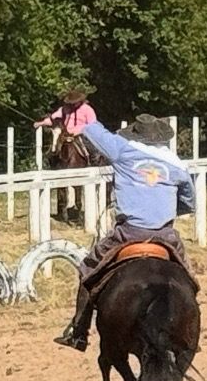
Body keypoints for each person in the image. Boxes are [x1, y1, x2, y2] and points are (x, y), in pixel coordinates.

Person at [54, 112, 197, 352]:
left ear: (136, 133)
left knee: (88, 269)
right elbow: (189, 203)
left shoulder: (123, 150)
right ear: (161, 137)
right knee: (188, 277)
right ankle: (187, 328)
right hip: (165, 235)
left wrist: (80, 113)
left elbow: (93, 130)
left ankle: (79, 332)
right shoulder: (175, 164)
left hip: (129, 233)